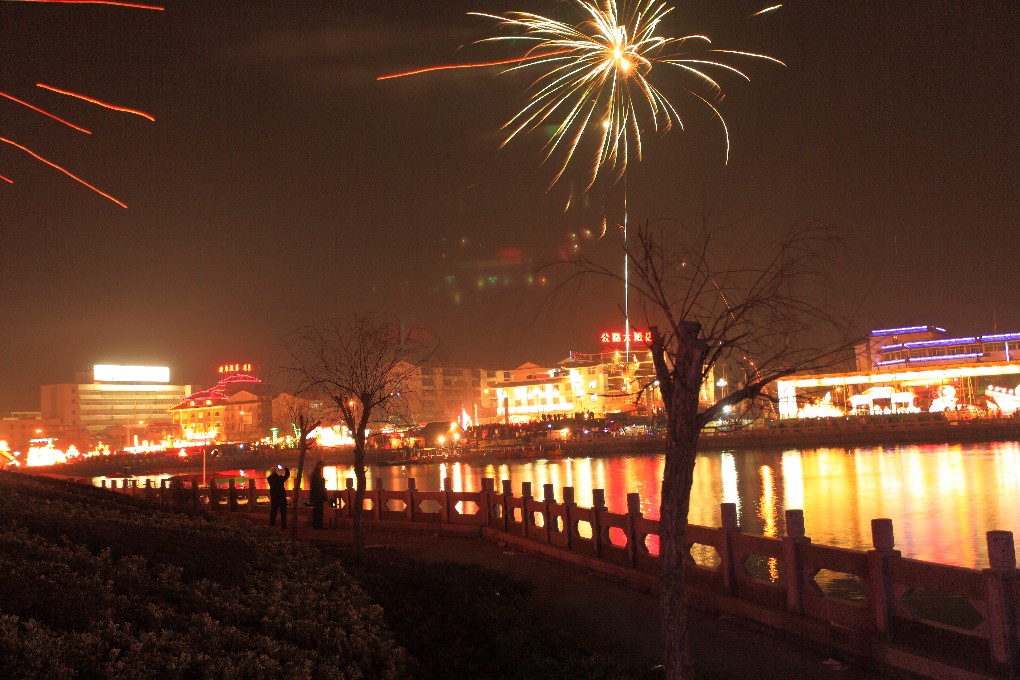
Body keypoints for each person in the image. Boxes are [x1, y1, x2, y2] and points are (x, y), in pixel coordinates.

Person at [267, 464, 290, 529]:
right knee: (283, 512)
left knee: (273, 511)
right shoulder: (280, 478)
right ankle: (283, 525)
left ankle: (272, 524)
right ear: (276, 472)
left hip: (274, 497)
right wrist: (286, 468)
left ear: (271, 472)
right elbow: (287, 476)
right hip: (281, 496)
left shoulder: (269, 479)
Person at [309, 460, 327, 530]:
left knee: (316, 510)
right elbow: (318, 484)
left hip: (315, 495)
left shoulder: (314, 472)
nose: (322, 467)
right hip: (318, 495)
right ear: (320, 465)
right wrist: (323, 480)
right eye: (322, 466)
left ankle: (316, 525)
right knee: (319, 511)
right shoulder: (317, 472)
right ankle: (319, 525)